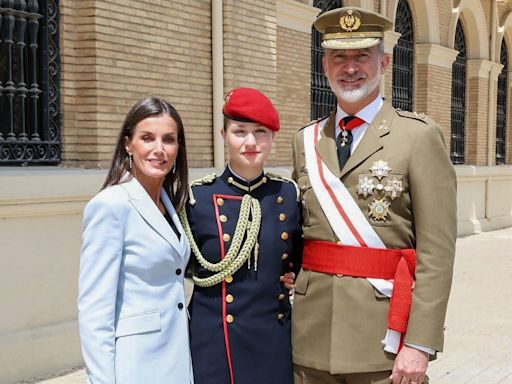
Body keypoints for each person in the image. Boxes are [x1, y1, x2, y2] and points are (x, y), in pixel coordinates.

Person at [292, 6, 456, 384]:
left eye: (361, 55)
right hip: (311, 337)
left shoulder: (418, 138)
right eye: (339, 56)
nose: (350, 67)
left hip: (383, 342)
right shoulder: (306, 141)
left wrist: (420, 343)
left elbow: (437, 254)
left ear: (384, 63)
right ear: (325, 65)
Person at [180, 87, 301, 384]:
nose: (250, 142)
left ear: (273, 137)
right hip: (214, 342)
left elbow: (302, 257)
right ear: (223, 135)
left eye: (260, 132)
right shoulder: (197, 197)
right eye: (239, 131)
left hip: (273, 339)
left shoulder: (288, 194)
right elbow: (180, 266)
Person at [78, 97, 193, 384]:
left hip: (177, 355)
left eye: (169, 139)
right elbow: (95, 310)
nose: (159, 149)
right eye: (147, 138)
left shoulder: (171, 204)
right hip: (136, 363)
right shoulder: (110, 206)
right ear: (128, 144)